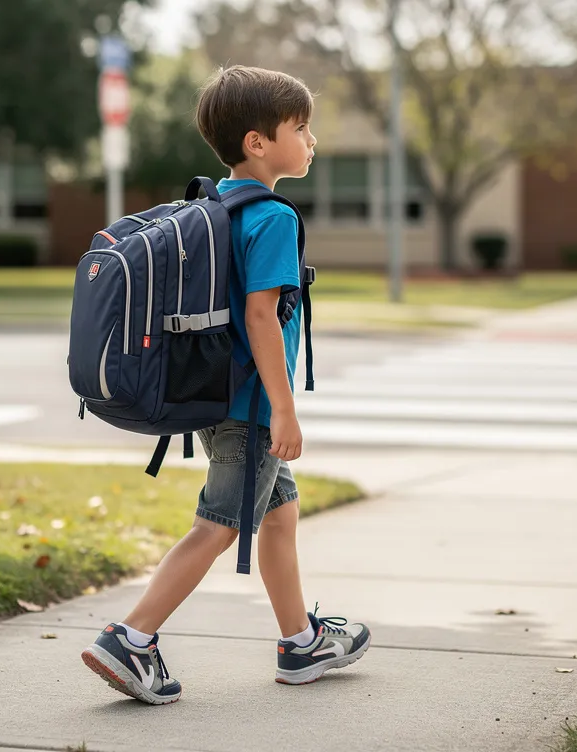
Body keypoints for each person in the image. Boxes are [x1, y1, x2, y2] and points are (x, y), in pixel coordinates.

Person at [80, 65, 371, 705]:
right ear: (258, 142)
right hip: (253, 408)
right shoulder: (272, 219)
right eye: (301, 127)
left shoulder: (217, 208)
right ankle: (131, 637)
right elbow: (261, 315)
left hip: (222, 398)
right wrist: (285, 413)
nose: (311, 139)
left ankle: (301, 642)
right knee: (217, 524)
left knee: (280, 513)